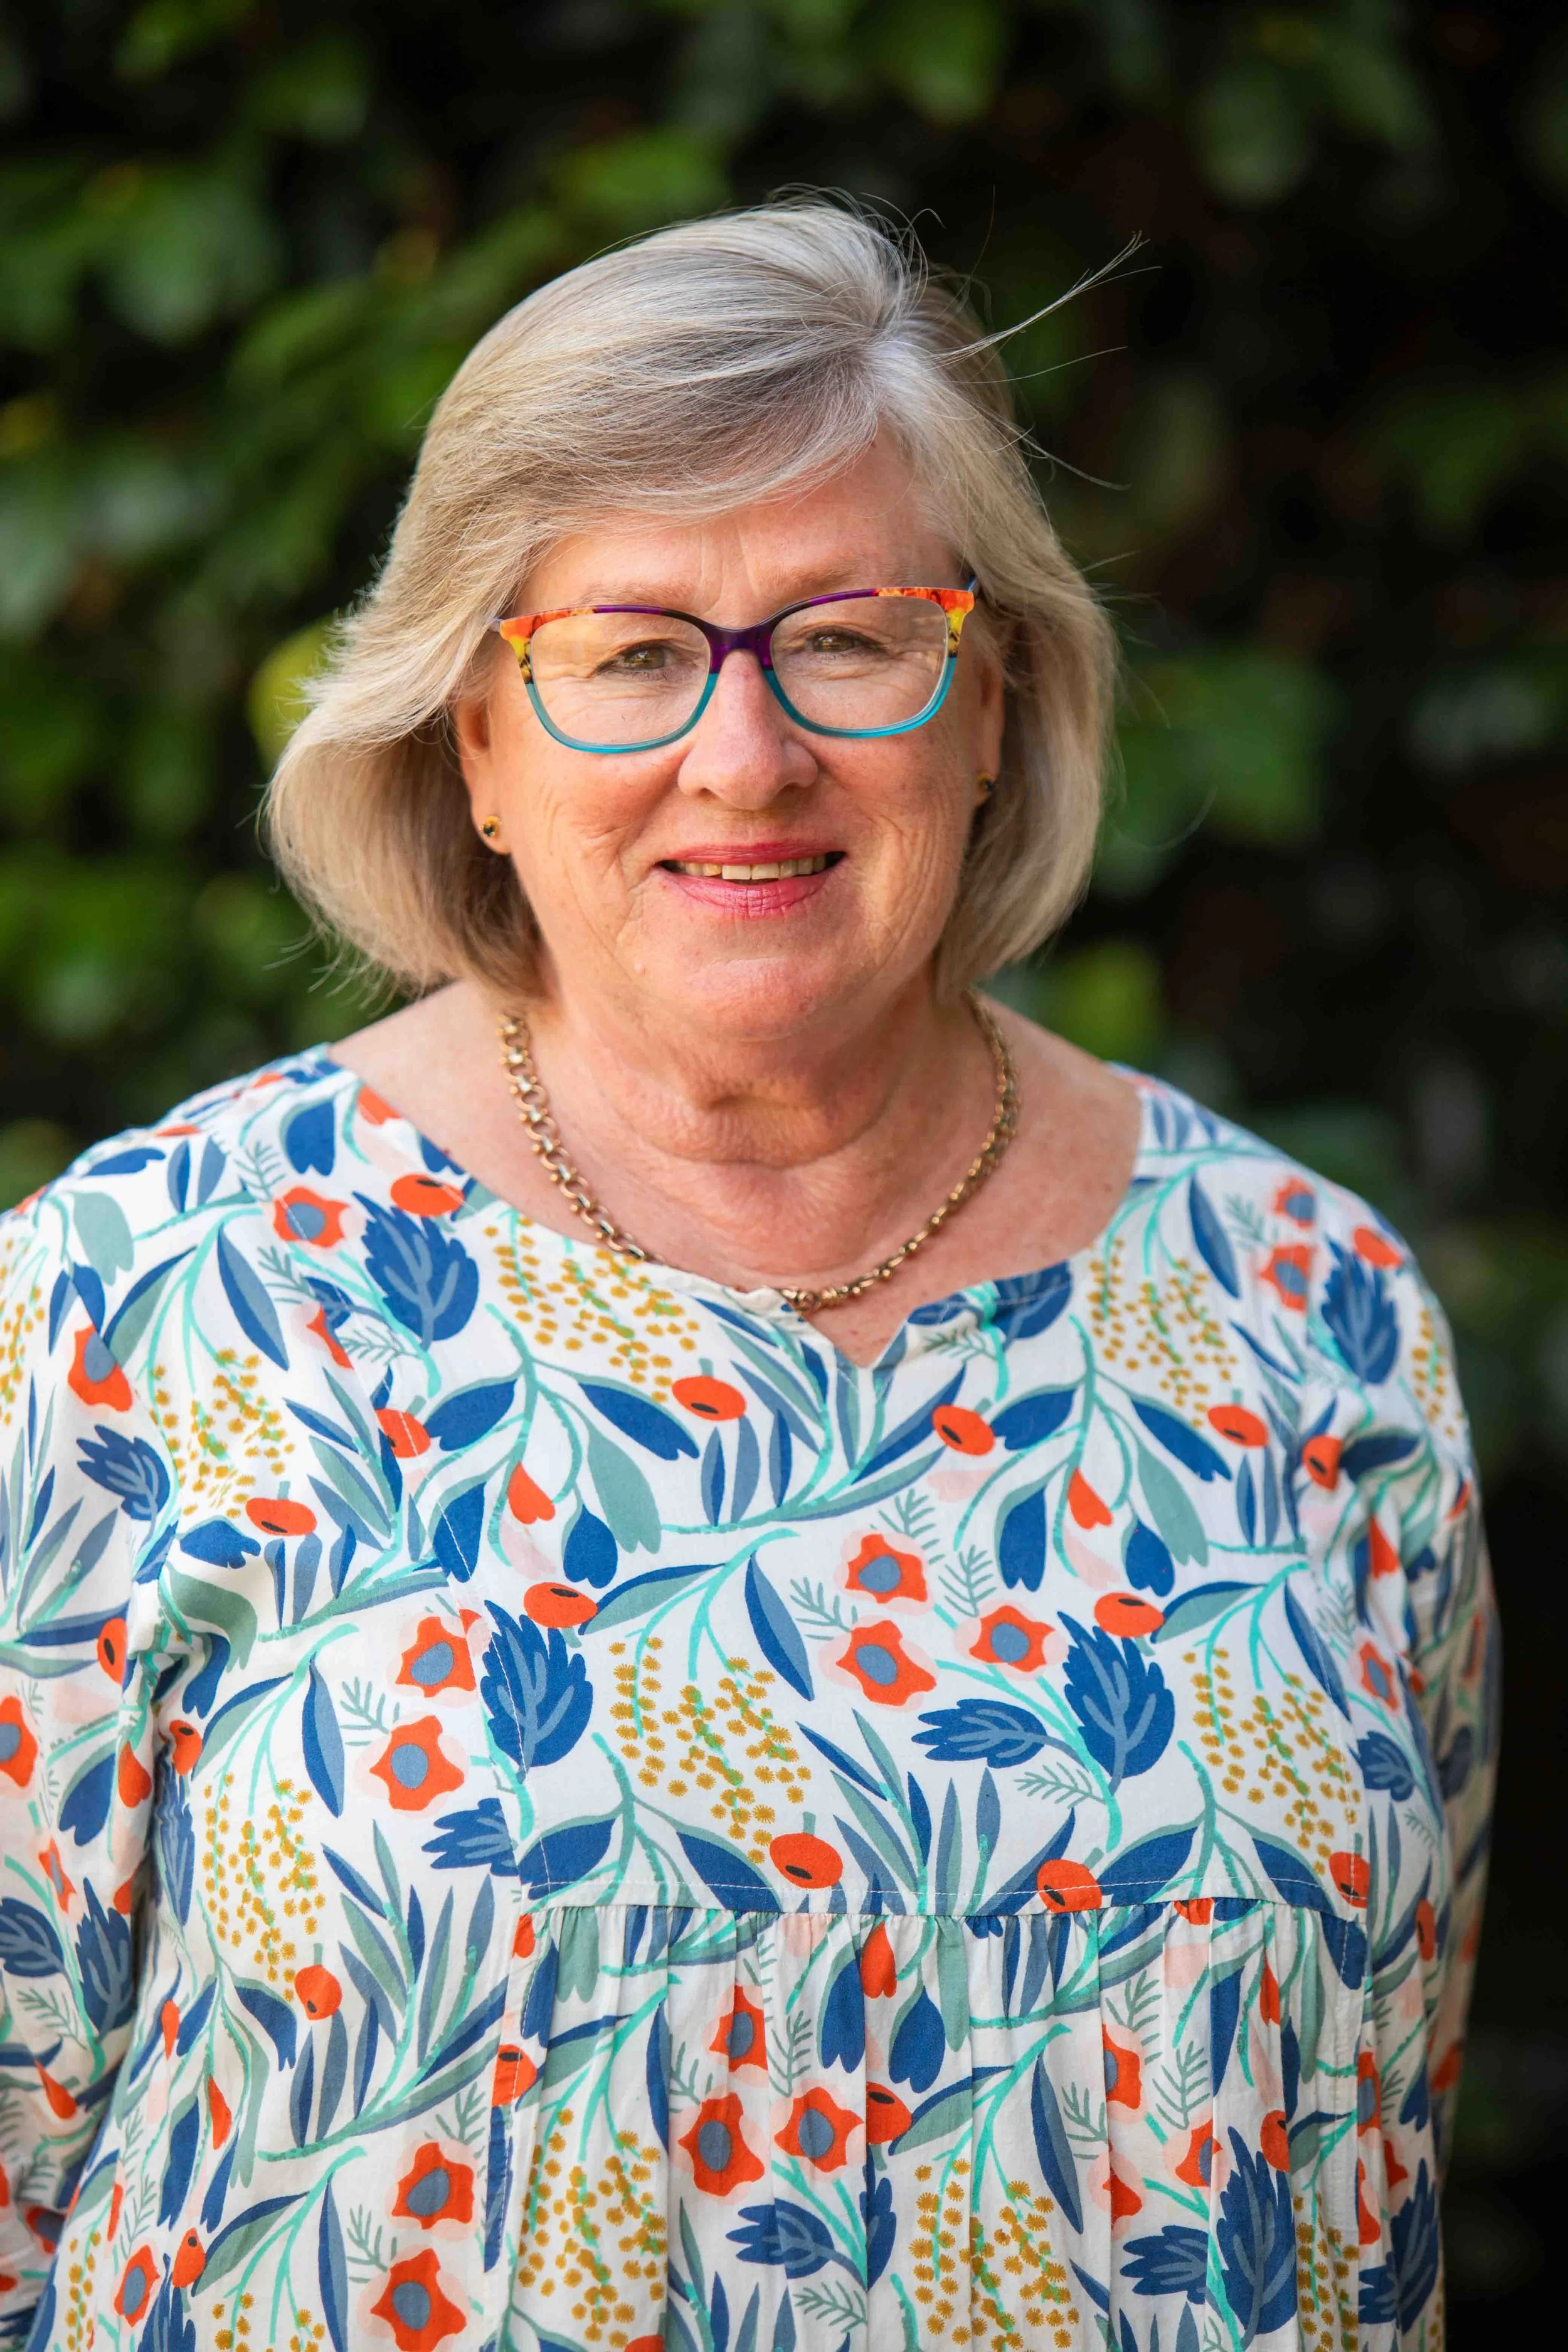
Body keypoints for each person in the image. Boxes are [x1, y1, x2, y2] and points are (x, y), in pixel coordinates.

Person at [0, 202, 1494, 2352]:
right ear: (475, 750)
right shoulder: (141, 1309)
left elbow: (1368, 2180)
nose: (744, 755)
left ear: (996, 705)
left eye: (852, 633)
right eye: (624, 654)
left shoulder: (1309, 1315)